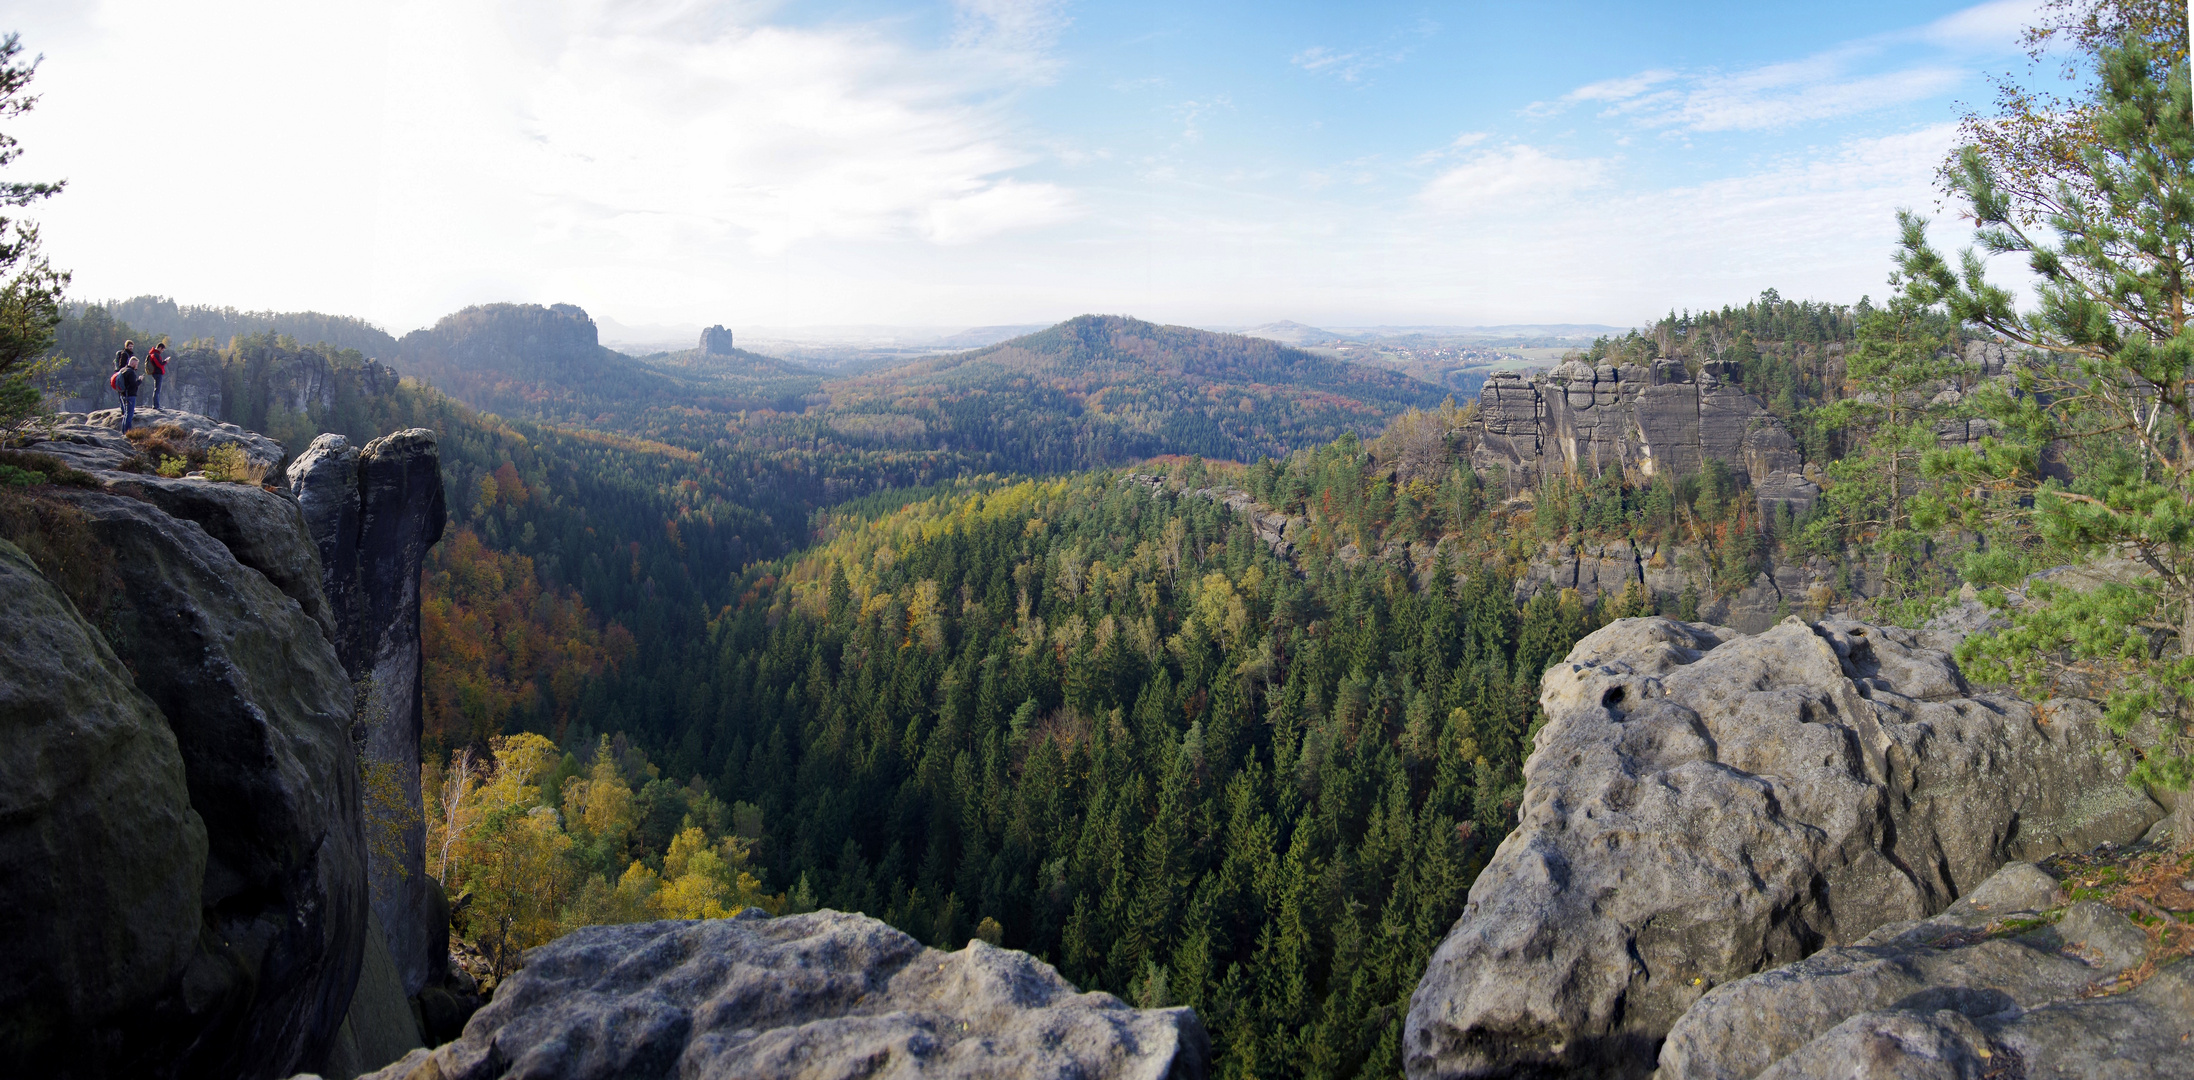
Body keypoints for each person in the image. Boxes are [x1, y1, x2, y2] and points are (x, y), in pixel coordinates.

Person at [113, 355, 143, 431]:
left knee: (126, 414)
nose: (137, 366)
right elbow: (133, 384)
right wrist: (140, 380)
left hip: (123, 394)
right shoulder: (131, 372)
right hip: (130, 395)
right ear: (133, 364)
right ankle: (128, 432)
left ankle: (123, 431)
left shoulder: (123, 370)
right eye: (136, 364)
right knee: (129, 415)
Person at [145, 339, 169, 410]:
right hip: (157, 373)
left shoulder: (154, 354)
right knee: (157, 390)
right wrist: (165, 361)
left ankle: (157, 405)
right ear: (159, 348)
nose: (162, 351)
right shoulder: (155, 355)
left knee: (157, 390)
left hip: (157, 373)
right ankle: (156, 406)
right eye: (162, 350)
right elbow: (159, 364)